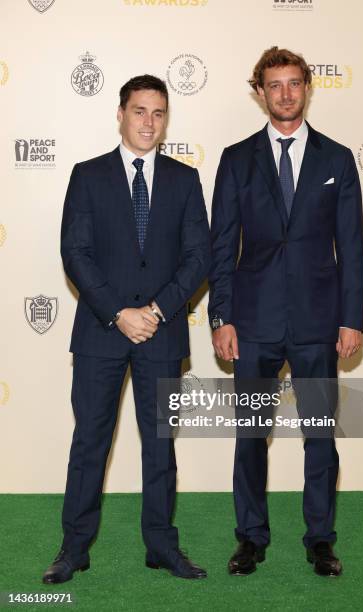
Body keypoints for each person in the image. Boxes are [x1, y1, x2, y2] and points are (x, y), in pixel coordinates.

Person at [43, 74, 210, 583]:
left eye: (158, 113)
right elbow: (76, 252)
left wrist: (155, 311)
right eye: (139, 111)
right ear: (120, 114)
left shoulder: (184, 180)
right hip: (100, 333)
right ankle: (73, 549)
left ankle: (161, 546)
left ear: (166, 120)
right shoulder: (88, 176)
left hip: (162, 333)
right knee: (90, 442)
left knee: (160, 446)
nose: (149, 122)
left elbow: (198, 255)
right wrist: (119, 312)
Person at [208, 47, 363, 577]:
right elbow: (221, 246)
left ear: (307, 86)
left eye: (293, 83)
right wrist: (220, 317)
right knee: (251, 434)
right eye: (274, 85)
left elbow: (352, 246)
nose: (285, 94)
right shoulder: (236, 159)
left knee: (319, 432)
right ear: (260, 91)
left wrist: (351, 319)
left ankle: (320, 538)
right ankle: (250, 537)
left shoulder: (337, 159)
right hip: (252, 324)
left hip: (320, 323)